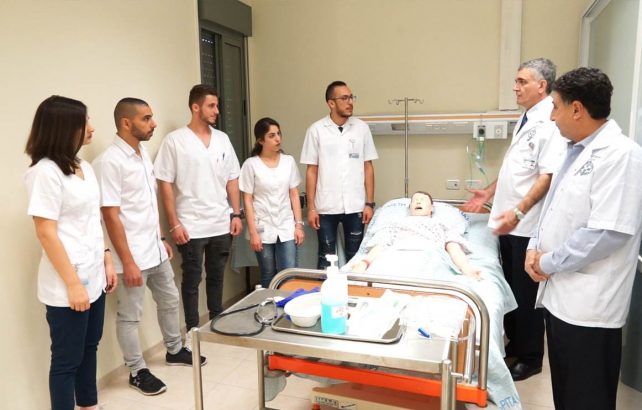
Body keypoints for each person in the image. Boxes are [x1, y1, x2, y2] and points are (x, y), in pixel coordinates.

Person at [525, 67, 642, 410]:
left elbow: (607, 232)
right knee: (565, 395)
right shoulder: (574, 149)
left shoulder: (622, 156)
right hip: (561, 297)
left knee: (586, 399)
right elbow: (553, 208)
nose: (552, 116)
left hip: (590, 307)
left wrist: (547, 262)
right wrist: (533, 247)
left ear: (577, 109)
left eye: (555, 106)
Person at [93, 98, 206, 396]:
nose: (153, 124)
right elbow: (110, 215)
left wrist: (161, 239)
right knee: (130, 315)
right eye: (146, 118)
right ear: (126, 123)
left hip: (154, 249)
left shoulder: (141, 153)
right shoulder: (108, 162)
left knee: (169, 299)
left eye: (152, 117)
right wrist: (128, 262)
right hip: (129, 256)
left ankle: (174, 349)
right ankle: (137, 371)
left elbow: (146, 205)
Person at [463, 58, 564, 381]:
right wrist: (488, 193)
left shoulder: (550, 122)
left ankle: (531, 358)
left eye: (522, 81)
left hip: (526, 224)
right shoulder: (526, 117)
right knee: (511, 290)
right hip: (509, 221)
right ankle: (515, 346)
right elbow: (515, 170)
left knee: (526, 295)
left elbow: (547, 175)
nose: (515, 87)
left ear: (541, 86)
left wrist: (519, 211)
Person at [24, 96, 117, 410]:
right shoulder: (44, 172)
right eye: (84, 121)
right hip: (67, 284)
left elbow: (93, 218)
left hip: (94, 273)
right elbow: (45, 232)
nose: (91, 127)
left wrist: (106, 257)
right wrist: (74, 284)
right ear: (64, 128)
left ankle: (89, 405)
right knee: (66, 361)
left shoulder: (84, 167)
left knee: (90, 347)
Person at [155, 85, 242, 343]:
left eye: (217, 105)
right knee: (192, 279)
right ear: (195, 107)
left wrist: (236, 214)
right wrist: (174, 224)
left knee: (217, 276)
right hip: (190, 225)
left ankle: (217, 322)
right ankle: (193, 329)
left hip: (220, 222)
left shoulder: (222, 139)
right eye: (211, 106)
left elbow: (232, 179)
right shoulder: (175, 141)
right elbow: (165, 184)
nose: (217, 111)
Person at [300, 80, 378, 269]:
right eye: (344, 98)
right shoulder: (316, 130)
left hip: (355, 205)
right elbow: (311, 171)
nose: (350, 102)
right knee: (326, 256)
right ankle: (324, 287)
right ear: (331, 103)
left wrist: (369, 203)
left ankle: (354, 287)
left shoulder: (361, 128)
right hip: (326, 206)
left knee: (356, 257)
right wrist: (311, 208)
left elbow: (368, 166)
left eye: (351, 97)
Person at [351, 191, 480, 280]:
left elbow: (453, 248)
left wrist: (467, 269)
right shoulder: (396, 223)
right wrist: (365, 263)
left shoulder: (441, 225)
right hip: (396, 256)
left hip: (429, 255)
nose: (418, 202)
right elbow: (381, 244)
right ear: (410, 207)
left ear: (432, 208)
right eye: (414, 201)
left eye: (422, 200)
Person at [239, 118, 305, 288]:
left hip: (286, 224)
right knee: (268, 273)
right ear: (261, 140)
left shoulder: (288, 161)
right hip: (262, 226)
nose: (278, 139)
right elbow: (247, 200)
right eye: (271, 135)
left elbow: (294, 194)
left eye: (278, 134)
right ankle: (271, 303)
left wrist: (298, 225)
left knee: (289, 272)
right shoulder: (251, 165)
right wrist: (253, 232)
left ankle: (288, 303)